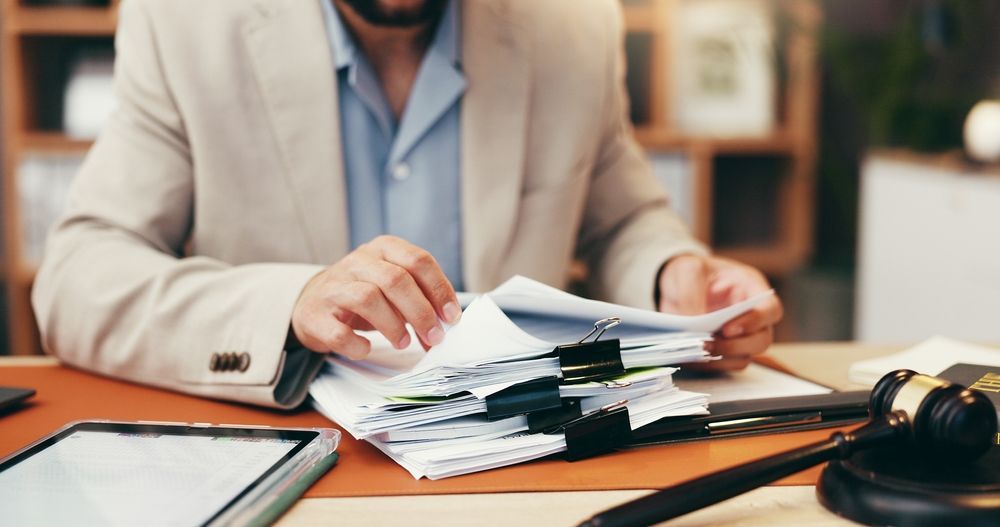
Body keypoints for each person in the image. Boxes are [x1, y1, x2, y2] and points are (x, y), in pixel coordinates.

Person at [32, 0, 783, 408]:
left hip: (525, 466)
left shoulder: (577, 22)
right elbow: (78, 279)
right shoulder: (183, 21)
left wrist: (673, 273)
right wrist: (290, 302)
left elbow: (621, 216)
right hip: (303, 470)